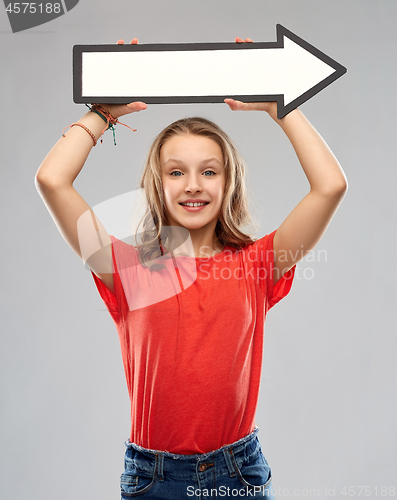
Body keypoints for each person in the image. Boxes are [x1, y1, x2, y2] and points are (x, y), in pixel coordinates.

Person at [35, 36, 347, 499]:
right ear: (156, 184)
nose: (193, 185)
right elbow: (52, 179)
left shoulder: (258, 263)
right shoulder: (124, 268)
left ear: (228, 182)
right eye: (176, 171)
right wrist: (101, 115)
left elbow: (330, 186)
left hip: (237, 474)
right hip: (151, 478)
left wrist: (279, 104)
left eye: (209, 170)